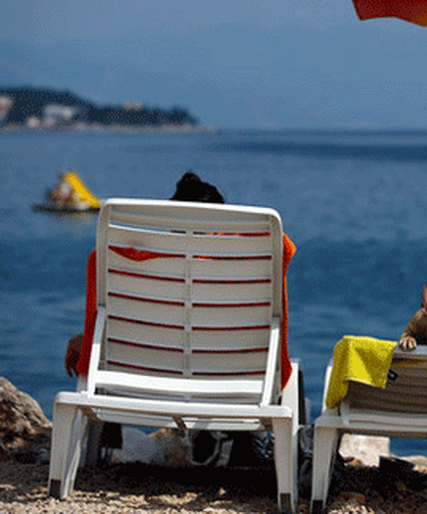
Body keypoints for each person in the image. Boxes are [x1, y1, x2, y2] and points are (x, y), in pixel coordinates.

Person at [62, 172, 297, 465]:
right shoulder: (246, 266)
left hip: (146, 385)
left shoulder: (131, 264)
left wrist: (87, 343)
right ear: (221, 225)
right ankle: (243, 441)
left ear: (171, 222)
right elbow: (284, 246)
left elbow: (130, 327)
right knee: (278, 368)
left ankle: (201, 437)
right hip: (234, 386)